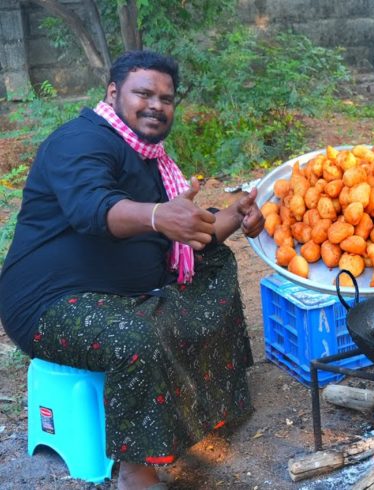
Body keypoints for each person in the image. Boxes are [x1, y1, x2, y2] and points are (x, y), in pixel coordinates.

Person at [0, 50, 264, 489]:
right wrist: (160, 216)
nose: (156, 105)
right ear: (113, 92)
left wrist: (237, 214)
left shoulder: (151, 157)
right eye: (144, 93)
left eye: (167, 98)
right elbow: (92, 209)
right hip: (50, 303)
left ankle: (207, 407)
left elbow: (190, 235)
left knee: (214, 263)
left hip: (129, 290)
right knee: (134, 337)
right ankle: (136, 471)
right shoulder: (80, 142)